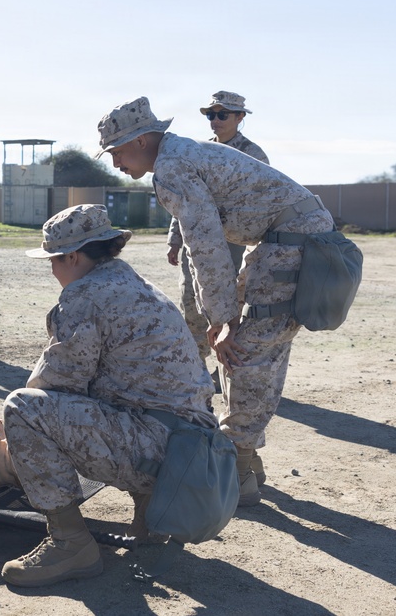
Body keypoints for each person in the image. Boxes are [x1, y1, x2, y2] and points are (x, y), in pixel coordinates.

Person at [97, 96, 334, 508]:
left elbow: (206, 246)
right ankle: (247, 457)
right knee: (248, 345)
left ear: (140, 141)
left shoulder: (171, 168)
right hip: (285, 238)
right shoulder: (180, 154)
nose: (115, 163)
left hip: (292, 241)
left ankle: (238, 467)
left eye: (117, 151)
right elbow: (203, 243)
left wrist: (223, 318)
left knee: (248, 348)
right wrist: (221, 314)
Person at [0, 204, 216, 587]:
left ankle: (71, 544)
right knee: (117, 402)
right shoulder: (138, 285)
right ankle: (150, 523)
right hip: (195, 453)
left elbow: (57, 383)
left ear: (73, 256)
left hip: (162, 452)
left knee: (23, 409)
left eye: (54, 260)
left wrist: (14, 439)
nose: (52, 269)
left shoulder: (85, 295)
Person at [166, 92, 269, 401]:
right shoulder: (199, 151)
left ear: (240, 117)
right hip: (196, 240)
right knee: (192, 303)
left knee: (230, 308)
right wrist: (174, 239)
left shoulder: (253, 154)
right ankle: (195, 368)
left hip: (234, 242)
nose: (215, 120)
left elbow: (262, 199)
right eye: (211, 114)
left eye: (223, 114)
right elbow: (184, 197)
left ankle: (229, 372)